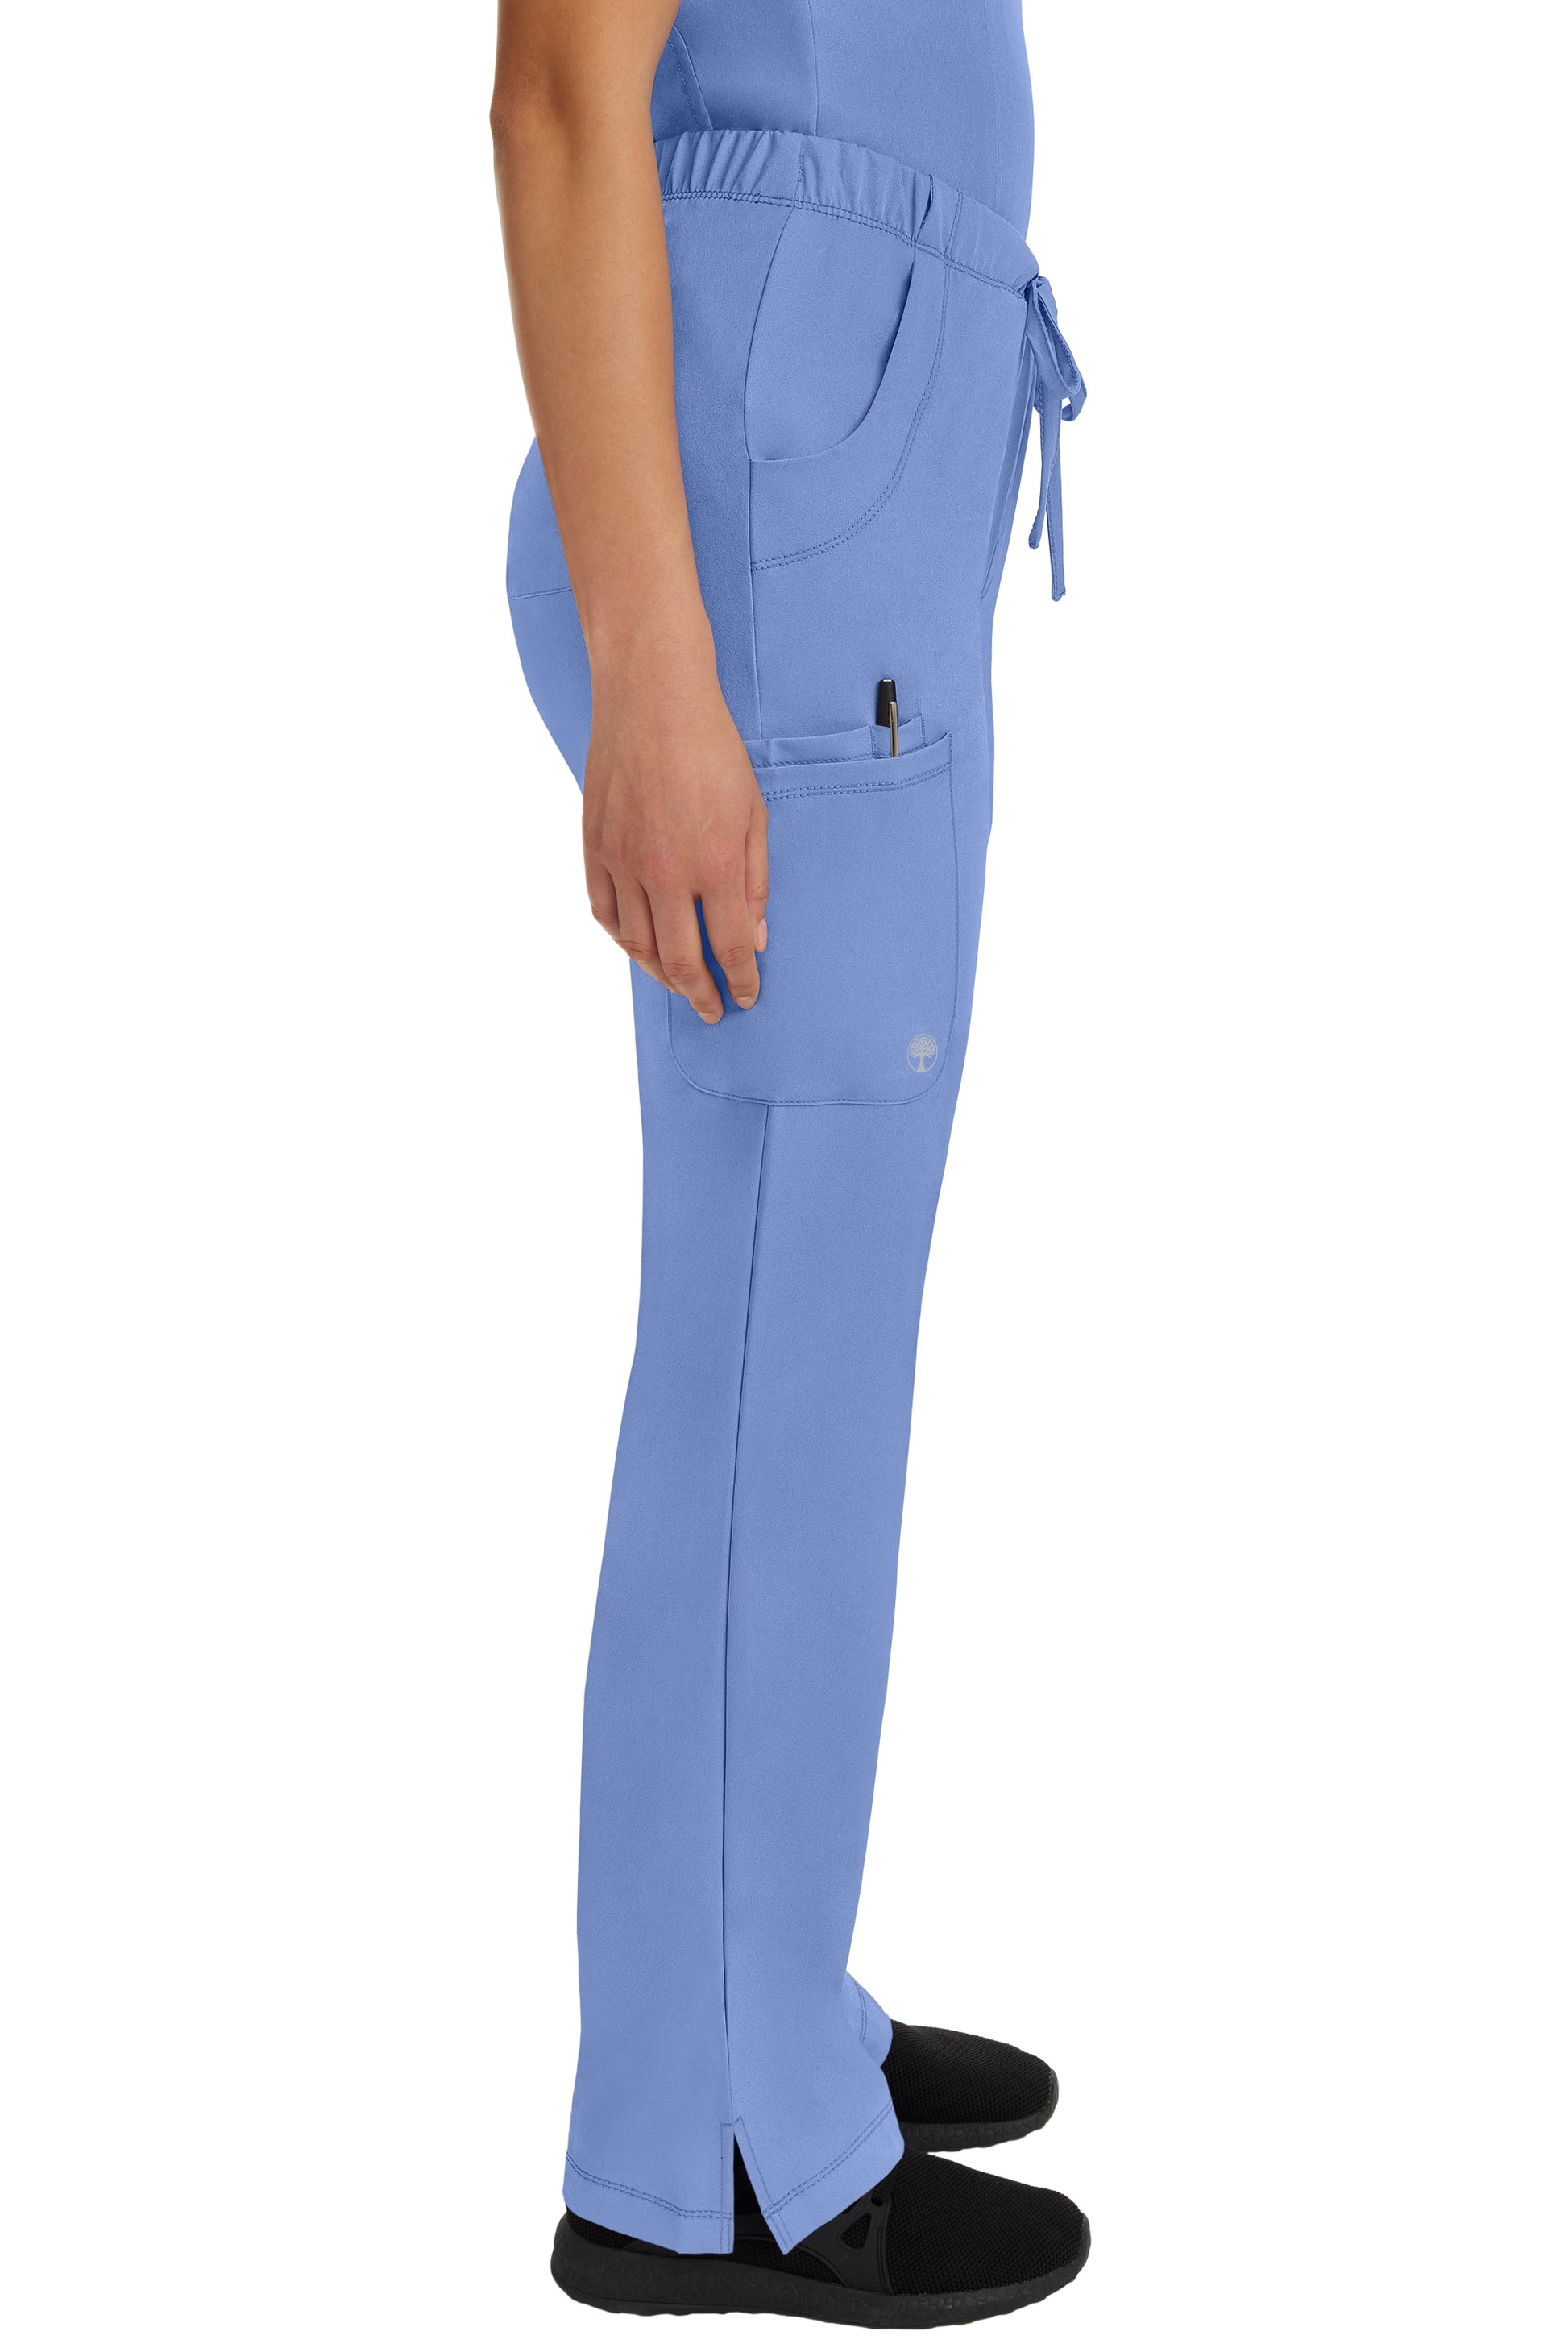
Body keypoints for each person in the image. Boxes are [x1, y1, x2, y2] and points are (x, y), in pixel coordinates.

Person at [491, 0, 1086, 2323]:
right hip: (784, 484)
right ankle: (708, 2147)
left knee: (802, 1330)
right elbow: (560, 90)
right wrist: (656, 682)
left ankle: (758, 2007)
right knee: (774, 1345)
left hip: (849, 440)